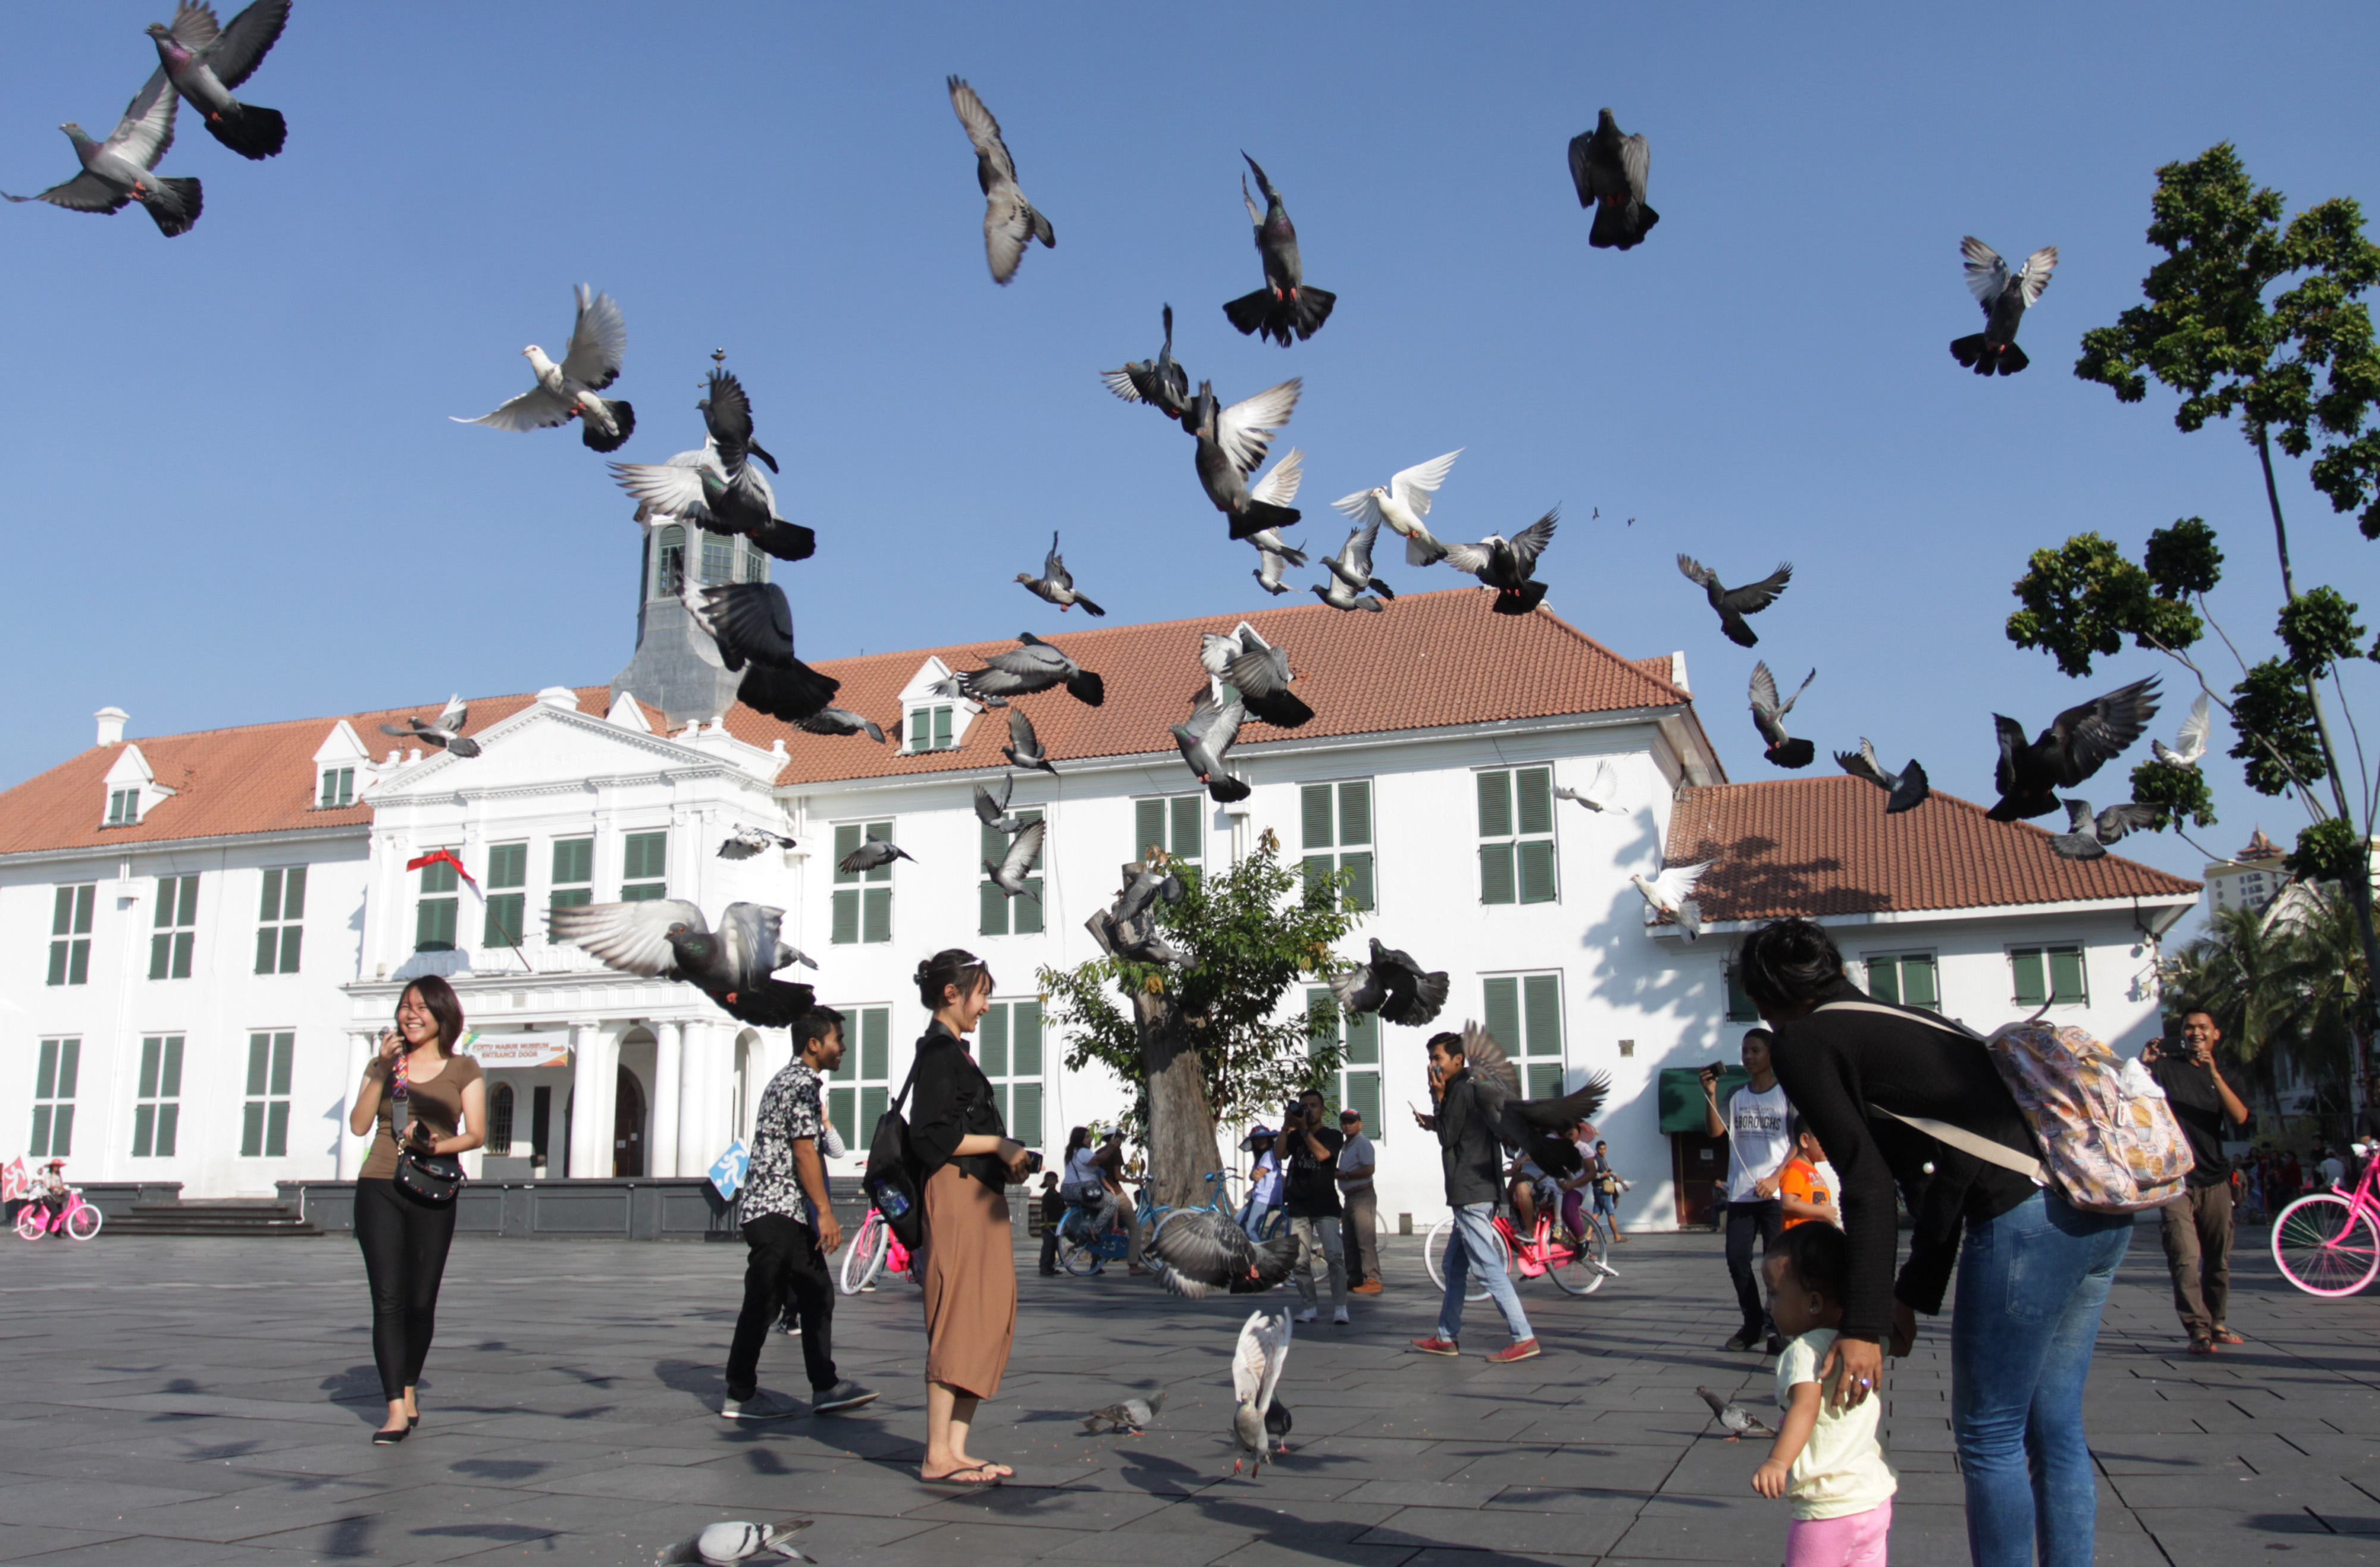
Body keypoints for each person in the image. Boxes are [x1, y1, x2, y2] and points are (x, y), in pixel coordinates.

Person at [1739, 917, 2131, 1567]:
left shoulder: (1805, 1040)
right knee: (2053, 1427)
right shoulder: (1907, 1019)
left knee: (1990, 1436)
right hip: (2091, 1209)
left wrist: (1862, 1324)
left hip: (2024, 1222)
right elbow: (1949, 1167)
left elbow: (1863, 1182)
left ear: (1764, 998)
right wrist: (1908, 1293)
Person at [907, 948, 1034, 1486]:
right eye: (980, 993)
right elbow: (930, 1135)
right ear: (951, 994)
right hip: (956, 1198)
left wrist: (1004, 1157)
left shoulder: (955, 1052)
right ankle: (938, 1453)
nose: (985, 1006)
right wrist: (999, 1145)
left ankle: (956, 1448)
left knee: (985, 1314)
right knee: (960, 1314)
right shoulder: (939, 1051)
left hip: (977, 1194)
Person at [347, 975, 484, 1444]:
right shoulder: (385, 1063)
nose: (411, 1014)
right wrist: (382, 1071)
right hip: (379, 1184)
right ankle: (393, 1409)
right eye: (406, 1005)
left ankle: (409, 1386)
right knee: (388, 1300)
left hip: (434, 1187)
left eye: (423, 1007)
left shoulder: (462, 1068)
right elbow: (360, 1124)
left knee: (421, 1301)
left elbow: (477, 1134)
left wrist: (439, 1144)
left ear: (443, 1014)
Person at [724, 1007, 876, 1421]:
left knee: (812, 1292)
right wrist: (825, 1213)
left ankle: (823, 1386)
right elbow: (805, 1150)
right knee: (765, 1300)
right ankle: (742, 1394)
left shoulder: (791, 1081)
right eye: (837, 1039)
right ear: (814, 1045)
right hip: (777, 1210)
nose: (843, 1047)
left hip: (777, 1210)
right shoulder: (800, 1084)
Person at [1751, 1221, 1899, 1567]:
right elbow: (1901, 1338)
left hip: (1826, 1510)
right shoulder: (1863, 1345)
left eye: (1773, 1293)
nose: (1768, 1304)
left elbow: (1805, 1407)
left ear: (1814, 1302)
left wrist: (1778, 1462)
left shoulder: (1803, 1351)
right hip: (1874, 1501)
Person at [1410, 1030, 1539, 1363]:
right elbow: (1455, 1131)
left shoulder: (1459, 1091)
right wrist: (1435, 1115)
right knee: (1454, 1265)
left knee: (1486, 1265)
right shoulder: (1470, 1088)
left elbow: (1448, 1138)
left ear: (1458, 1060)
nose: (1432, 1066)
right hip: (1477, 1190)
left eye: (1437, 1059)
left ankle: (1523, 1336)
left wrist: (1436, 1097)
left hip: (1470, 1191)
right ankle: (1446, 1336)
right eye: (1431, 1059)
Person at [2143, 1014, 2251, 1355]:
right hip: (2176, 1179)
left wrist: (2214, 1074)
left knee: (2218, 1258)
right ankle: (2197, 1329)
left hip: (2216, 1178)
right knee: (2185, 1257)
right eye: (2190, 1027)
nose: (2196, 1032)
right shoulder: (2166, 1068)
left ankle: (2217, 1321)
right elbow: (2135, 1097)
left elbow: (2239, 1118)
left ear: (2216, 1035)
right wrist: (2144, 1065)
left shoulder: (2229, 1074)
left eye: (2204, 1028)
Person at [1703, 1029, 1793, 1353]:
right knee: (1737, 1260)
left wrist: (1777, 1178)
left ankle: (1779, 1328)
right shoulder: (1737, 1095)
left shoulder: (1786, 1094)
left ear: (1771, 1054)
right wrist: (1710, 1094)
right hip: (1741, 1193)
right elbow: (1715, 1131)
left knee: (1776, 1267)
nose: (1749, 1057)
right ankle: (1752, 1324)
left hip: (1774, 1196)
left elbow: (1801, 1142)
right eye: (1745, 1051)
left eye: (1755, 1050)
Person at [1281, 1088, 1349, 1325]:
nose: (1309, 1109)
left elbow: (1323, 1156)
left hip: (1326, 1205)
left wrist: (1304, 1132)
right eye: (1305, 1106)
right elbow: (1279, 1154)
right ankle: (1309, 1307)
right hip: (1299, 1205)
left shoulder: (1332, 1135)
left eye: (1313, 1105)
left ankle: (1341, 1307)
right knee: (1299, 1261)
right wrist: (1286, 1126)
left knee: (1334, 1257)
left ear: (1322, 1110)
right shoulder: (1295, 1134)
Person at [1337, 1108, 1382, 1293]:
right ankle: (1354, 1276)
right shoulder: (1347, 1145)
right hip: (1350, 1197)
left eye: (1352, 1122)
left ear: (1360, 1124)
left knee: (1365, 1239)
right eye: (1345, 1122)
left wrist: (1345, 1175)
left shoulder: (1362, 1143)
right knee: (1349, 1240)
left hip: (1362, 1195)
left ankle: (1373, 1278)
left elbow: (1369, 1169)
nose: (1347, 1125)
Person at [1778, 1113, 1840, 1232]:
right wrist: (1823, 1211)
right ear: (1805, 1140)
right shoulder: (1796, 1168)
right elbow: (1788, 1203)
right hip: (1798, 1239)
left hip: (1813, 1237)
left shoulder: (1812, 1170)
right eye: (1822, 1139)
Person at [1237, 1127, 1283, 1239]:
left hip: (1265, 1197)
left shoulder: (1269, 1154)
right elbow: (1253, 1176)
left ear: (1268, 1139)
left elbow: (1259, 1174)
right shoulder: (1261, 1156)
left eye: (1263, 1139)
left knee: (1251, 1230)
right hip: (1257, 1196)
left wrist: (1255, 1174)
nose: (1259, 1142)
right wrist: (1254, 1174)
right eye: (1256, 1140)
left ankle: (1262, 1255)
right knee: (1236, 1223)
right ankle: (1250, 1249)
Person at [1589, 1140, 1630, 1244]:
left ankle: (1587, 1235)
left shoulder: (1603, 1160)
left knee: (1597, 1213)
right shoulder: (1595, 1160)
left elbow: (1610, 1171)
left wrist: (1615, 1176)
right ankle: (1617, 1236)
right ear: (1597, 1149)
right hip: (1603, 1189)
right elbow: (1592, 1174)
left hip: (1600, 1189)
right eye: (1600, 1149)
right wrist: (1603, 1176)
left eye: (1604, 1149)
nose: (1603, 1151)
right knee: (1611, 1213)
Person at [1036, 1171, 1063, 1277]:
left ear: (1057, 1181)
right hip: (1048, 1226)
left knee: (1054, 1247)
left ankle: (1051, 1267)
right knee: (1048, 1246)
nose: (1051, 1182)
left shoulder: (1058, 1196)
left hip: (1057, 1226)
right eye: (1048, 1180)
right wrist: (1046, 1223)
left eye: (1053, 1180)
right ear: (1046, 1182)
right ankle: (1044, 1267)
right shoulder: (1047, 1196)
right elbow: (1045, 1211)